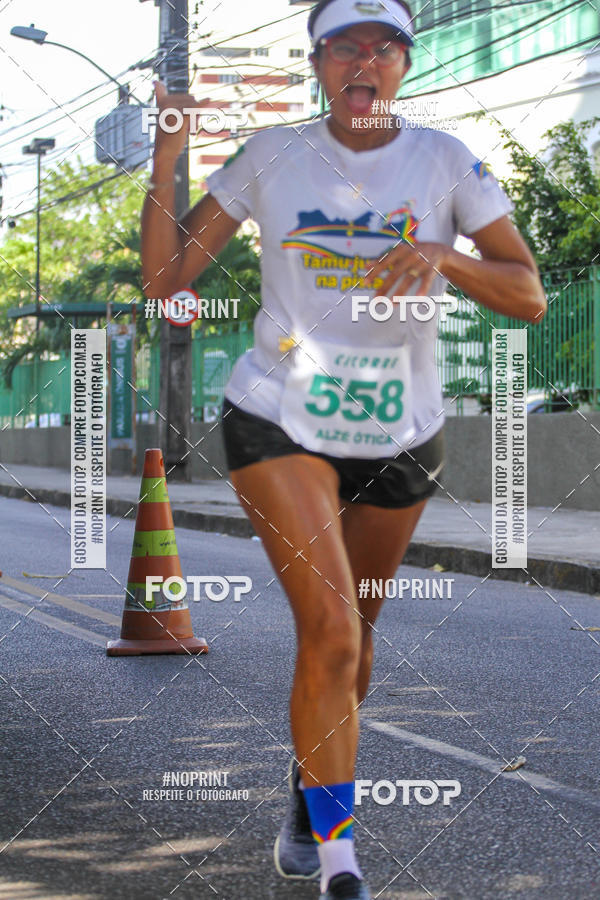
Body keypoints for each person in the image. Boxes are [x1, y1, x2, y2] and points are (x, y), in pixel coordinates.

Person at [141, 1, 546, 896]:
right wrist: (168, 158)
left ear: (406, 63)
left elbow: (528, 295)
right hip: (278, 416)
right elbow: (168, 282)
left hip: (401, 430)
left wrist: (443, 257)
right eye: (343, 46)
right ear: (318, 63)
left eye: (383, 45)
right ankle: (339, 863)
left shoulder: (446, 160)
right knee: (326, 631)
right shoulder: (272, 154)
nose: (364, 59)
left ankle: (308, 788)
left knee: (355, 647)